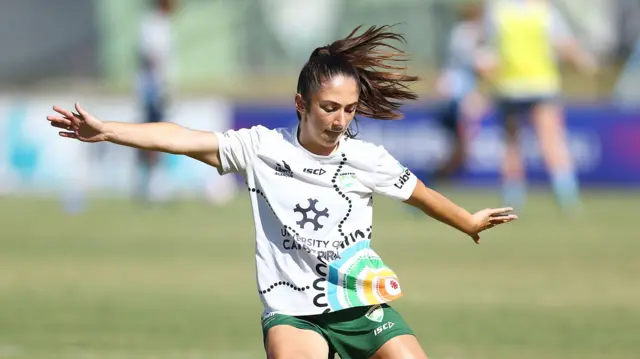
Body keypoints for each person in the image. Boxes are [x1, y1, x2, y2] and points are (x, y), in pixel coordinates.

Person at [47, 25, 517, 359]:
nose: (339, 120)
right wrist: (108, 130)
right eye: (329, 107)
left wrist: (469, 221)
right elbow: (181, 137)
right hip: (293, 313)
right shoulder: (260, 148)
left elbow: (419, 193)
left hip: (359, 303)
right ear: (300, 104)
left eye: (350, 110)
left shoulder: (367, 158)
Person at [481, 0, 598, 212]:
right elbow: (565, 45)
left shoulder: (498, 10)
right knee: (551, 141)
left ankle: (512, 198)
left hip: (510, 86)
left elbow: (489, 52)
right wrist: (583, 61)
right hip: (542, 84)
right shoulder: (544, 10)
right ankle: (567, 197)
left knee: (511, 144)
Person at [432, 3, 490, 183]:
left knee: (460, 149)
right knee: (462, 147)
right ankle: (432, 182)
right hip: (457, 96)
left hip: (458, 93)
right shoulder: (467, 33)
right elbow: (478, 64)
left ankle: (434, 182)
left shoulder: (462, 32)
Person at [136, 0, 176, 202]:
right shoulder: (152, 25)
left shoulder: (164, 24)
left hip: (161, 90)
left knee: (159, 137)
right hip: (153, 92)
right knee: (153, 137)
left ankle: (155, 184)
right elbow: (149, 58)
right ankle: (149, 186)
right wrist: (158, 88)